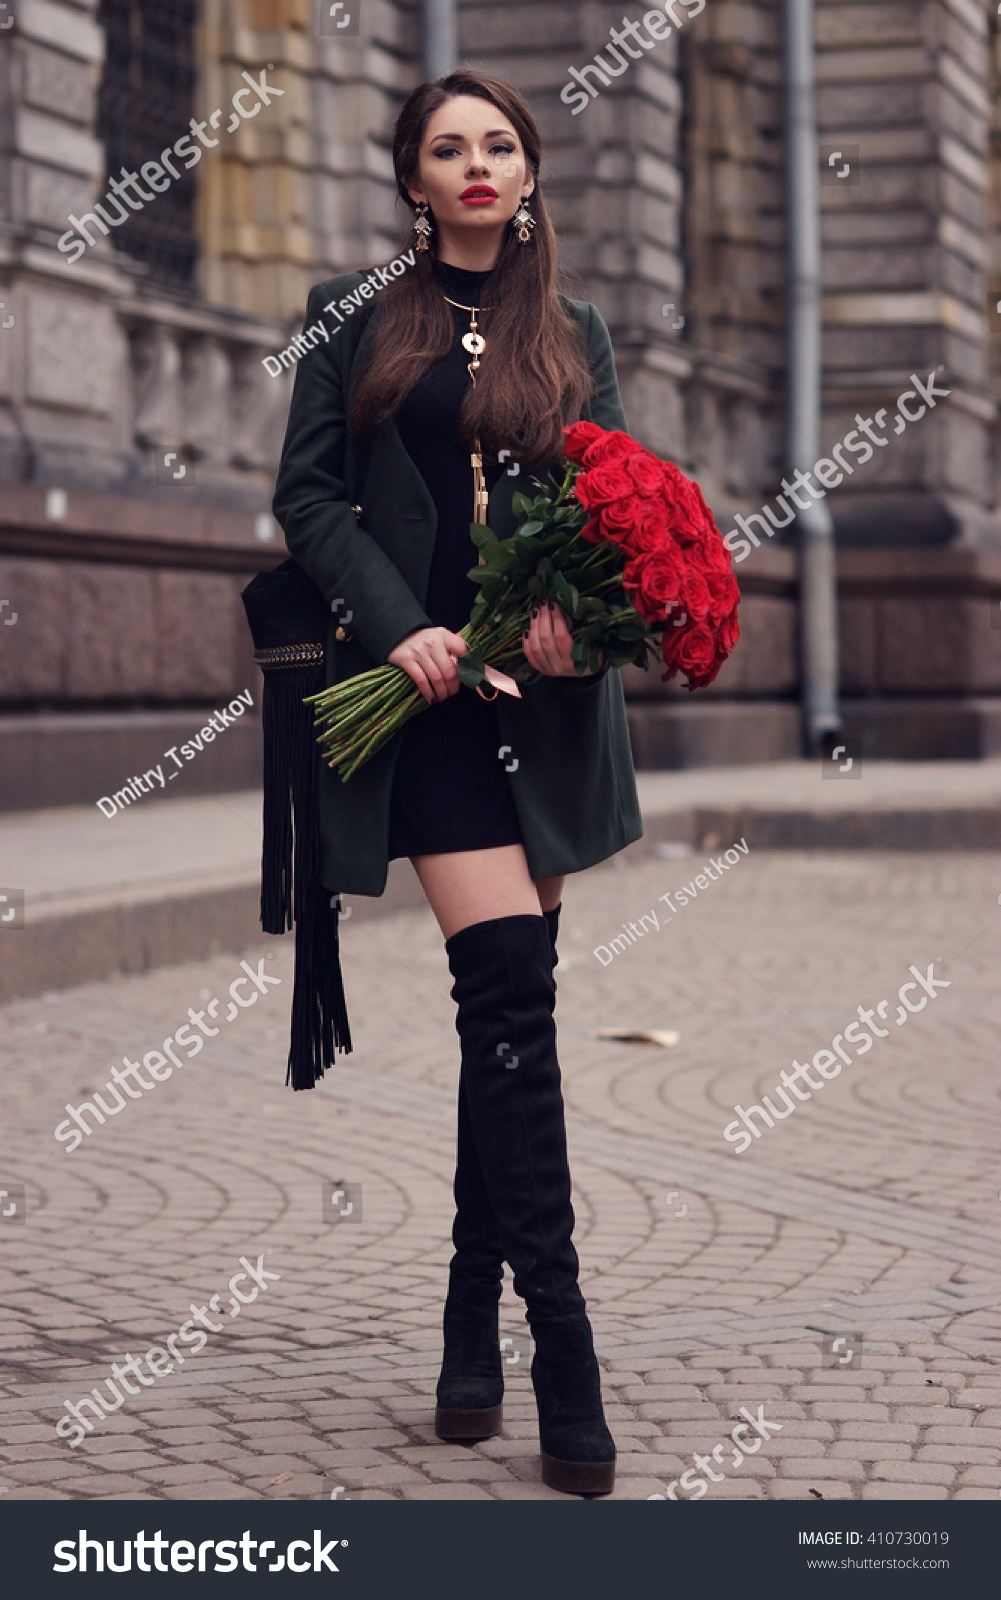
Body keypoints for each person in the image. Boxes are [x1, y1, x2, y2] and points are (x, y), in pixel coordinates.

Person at [272, 68, 642, 1497]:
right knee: (503, 995)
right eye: (447, 148)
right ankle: (564, 1351)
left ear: (527, 171)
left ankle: (463, 1315)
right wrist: (399, 628)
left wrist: (572, 606)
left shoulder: (577, 331)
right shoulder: (355, 321)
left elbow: (605, 499)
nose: (476, 164)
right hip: (417, 704)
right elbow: (308, 498)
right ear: (411, 181)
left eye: (497, 144)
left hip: (540, 713)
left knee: (512, 1016)